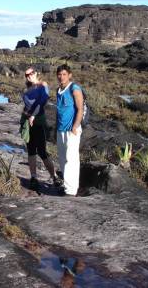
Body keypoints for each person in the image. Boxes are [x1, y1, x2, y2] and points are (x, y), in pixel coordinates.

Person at [20, 67, 60, 190]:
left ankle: (54, 177)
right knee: (31, 150)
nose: (29, 76)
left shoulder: (43, 85)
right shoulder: (27, 90)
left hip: (38, 122)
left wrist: (33, 115)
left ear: (36, 73)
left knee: (42, 151)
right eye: (26, 75)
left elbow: (42, 101)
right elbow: (27, 106)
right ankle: (33, 177)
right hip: (27, 122)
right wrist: (27, 117)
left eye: (31, 73)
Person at [56, 64, 84, 196]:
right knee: (62, 158)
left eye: (64, 74)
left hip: (71, 129)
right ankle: (67, 186)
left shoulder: (74, 88)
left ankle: (71, 190)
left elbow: (80, 108)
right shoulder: (58, 89)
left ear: (69, 75)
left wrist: (75, 127)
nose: (61, 77)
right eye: (59, 74)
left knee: (71, 159)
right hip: (60, 129)